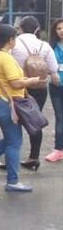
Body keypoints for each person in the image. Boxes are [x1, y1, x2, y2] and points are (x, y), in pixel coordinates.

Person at [0, 24, 46, 192]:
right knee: (15, 142)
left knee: (9, 138)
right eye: (15, 37)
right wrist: (33, 81)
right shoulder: (5, 58)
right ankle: (12, 181)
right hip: (6, 103)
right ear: (10, 40)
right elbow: (15, 82)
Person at [9, 16, 58, 170]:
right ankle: (33, 157)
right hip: (39, 88)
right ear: (37, 29)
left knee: (13, 121)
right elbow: (53, 68)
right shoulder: (44, 46)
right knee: (35, 121)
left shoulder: (14, 44)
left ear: (20, 28)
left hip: (19, 87)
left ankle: (11, 157)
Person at [47, 18, 63, 163]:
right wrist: (52, 72)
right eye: (58, 28)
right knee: (60, 117)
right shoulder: (51, 47)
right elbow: (46, 65)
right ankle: (58, 149)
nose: (62, 31)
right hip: (56, 87)